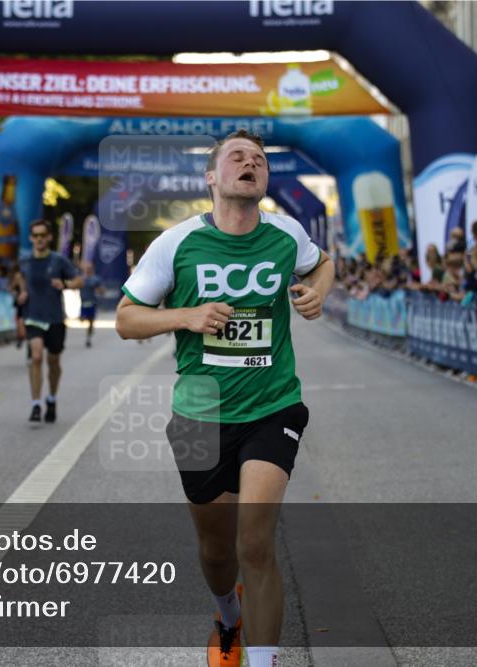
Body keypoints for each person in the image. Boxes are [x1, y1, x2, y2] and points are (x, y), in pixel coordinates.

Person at [116, 129, 334, 667]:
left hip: (273, 405)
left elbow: (322, 263)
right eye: (237, 157)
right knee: (217, 552)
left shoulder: (286, 234)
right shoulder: (176, 243)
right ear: (211, 177)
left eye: (258, 159)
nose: (250, 163)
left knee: (255, 543)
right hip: (199, 415)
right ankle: (227, 614)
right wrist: (186, 316)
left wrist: (317, 293)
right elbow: (126, 319)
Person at [15, 219, 82, 423]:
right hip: (33, 317)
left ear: (49, 237)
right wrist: (22, 292)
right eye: (35, 236)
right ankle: (36, 404)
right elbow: (19, 280)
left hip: (54, 319)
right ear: (31, 238)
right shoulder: (25, 261)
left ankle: (51, 398)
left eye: (43, 235)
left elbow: (79, 281)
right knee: (36, 357)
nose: (39, 239)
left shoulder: (58, 261)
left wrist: (65, 283)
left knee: (54, 361)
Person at [79, 261, 103, 347]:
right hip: (83, 303)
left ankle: (88, 338)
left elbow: (101, 290)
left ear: (92, 269)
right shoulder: (81, 278)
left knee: (90, 321)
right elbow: (75, 285)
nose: (88, 269)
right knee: (81, 319)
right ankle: (90, 328)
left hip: (92, 303)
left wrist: (100, 290)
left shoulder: (95, 279)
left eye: (90, 268)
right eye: (87, 268)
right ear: (84, 269)